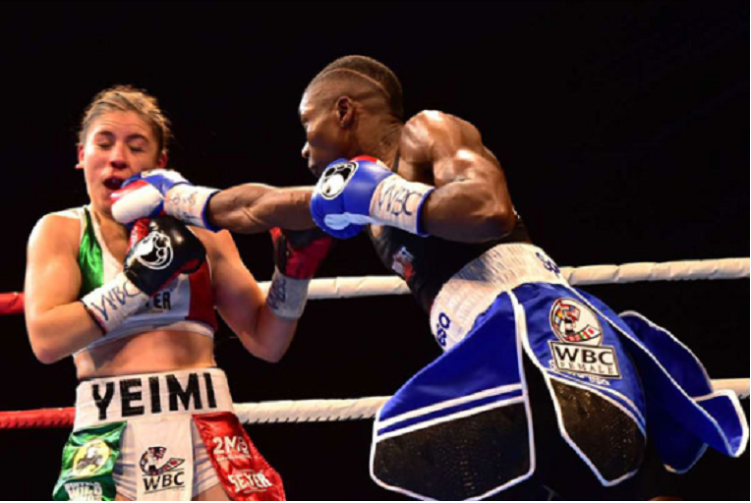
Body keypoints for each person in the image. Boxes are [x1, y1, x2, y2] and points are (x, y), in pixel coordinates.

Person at [111, 57, 748, 500]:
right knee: (566, 483)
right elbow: (259, 206)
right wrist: (178, 195)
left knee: (628, 485)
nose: (305, 152)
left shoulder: (427, 133)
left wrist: (389, 196)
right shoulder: (353, 195)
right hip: (491, 348)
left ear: (343, 110)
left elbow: (487, 209)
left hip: (534, 324)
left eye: (309, 132)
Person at [25, 85, 330, 501]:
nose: (118, 157)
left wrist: (292, 274)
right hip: (106, 438)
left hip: (205, 427)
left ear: (159, 164)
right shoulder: (61, 231)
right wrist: (139, 281)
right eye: (104, 143)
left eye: (136, 146)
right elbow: (45, 340)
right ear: (81, 156)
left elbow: (267, 341)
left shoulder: (205, 234)